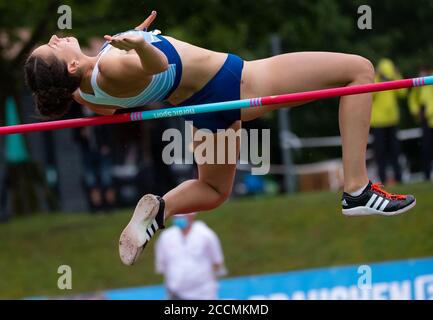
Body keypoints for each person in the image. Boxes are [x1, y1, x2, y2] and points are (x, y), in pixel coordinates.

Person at [23, 10, 416, 266]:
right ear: (71, 65)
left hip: (203, 106)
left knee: (212, 189)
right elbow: (155, 64)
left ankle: (159, 210)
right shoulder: (113, 65)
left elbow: (129, 87)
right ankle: (356, 189)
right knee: (359, 71)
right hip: (238, 82)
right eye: (53, 47)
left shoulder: (86, 94)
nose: (57, 39)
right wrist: (142, 46)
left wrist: (136, 43)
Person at [155, 213, 226, 300]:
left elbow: (217, 262)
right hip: (176, 294)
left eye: (182, 215)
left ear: (192, 215)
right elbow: (163, 265)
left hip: (204, 294)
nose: (178, 218)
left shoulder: (206, 234)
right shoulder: (165, 237)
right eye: (176, 216)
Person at [370, 59, 407, 185]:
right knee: (380, 154)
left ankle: (399, 178)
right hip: (378, 123)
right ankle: (383, 180)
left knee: (395, 152)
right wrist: (376, 78)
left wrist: (395, 76)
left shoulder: (393, 80)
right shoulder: (376, 80)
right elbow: (371, 94)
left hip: (392, 121)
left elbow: (403, 92)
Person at [408, 70, 433, 181]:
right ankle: (426, 175)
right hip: (427, 120)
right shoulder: (420, 83)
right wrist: (416, 111)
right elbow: (413, 99)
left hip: (429, 117)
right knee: (426, 149)